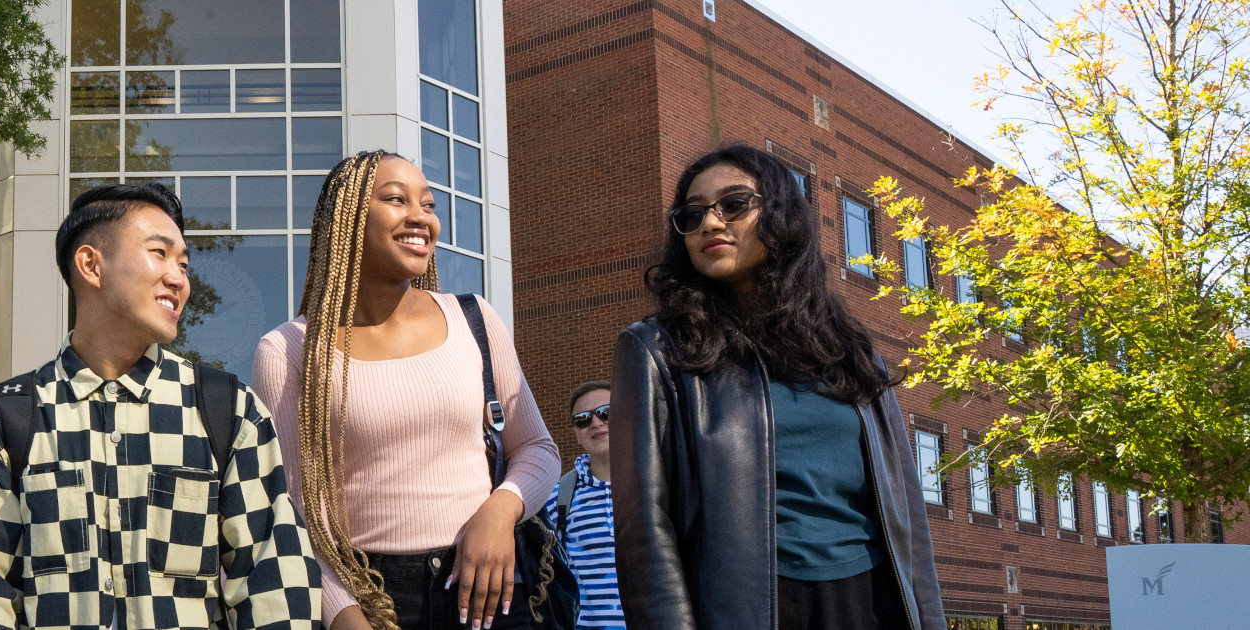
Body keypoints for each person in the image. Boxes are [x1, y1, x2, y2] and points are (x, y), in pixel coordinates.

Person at [0, 183, 322, 630]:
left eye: (183, 264)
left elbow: (277, 588)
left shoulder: (227, 410)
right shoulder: (6, 419)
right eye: (159, 253)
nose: (179, 279)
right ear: (91, 265)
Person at [612, 145, 945, 629]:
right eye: (693, 214)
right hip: (748, 607)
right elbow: (644, 526)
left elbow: (908, 512)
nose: (710, 223)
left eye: (733, 204)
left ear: (781, 214)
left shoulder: (850, 351)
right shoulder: (657, 350)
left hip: (872, 599)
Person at [251, 150, 560, 630]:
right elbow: (294, 511)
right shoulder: (289, 350)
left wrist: (501, 510)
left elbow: (538, 448)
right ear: (348, 218)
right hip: (373, 598)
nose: (421, 217)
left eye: (429, 205)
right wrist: (344, 616)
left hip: (490, 587)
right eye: (397, 199)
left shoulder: (474, 318)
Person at [538, 382, 624, 629]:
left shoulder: (659, 485)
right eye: (583, 419)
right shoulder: (556, 498)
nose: (595, 423)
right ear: (576, 432)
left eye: (606, 412)